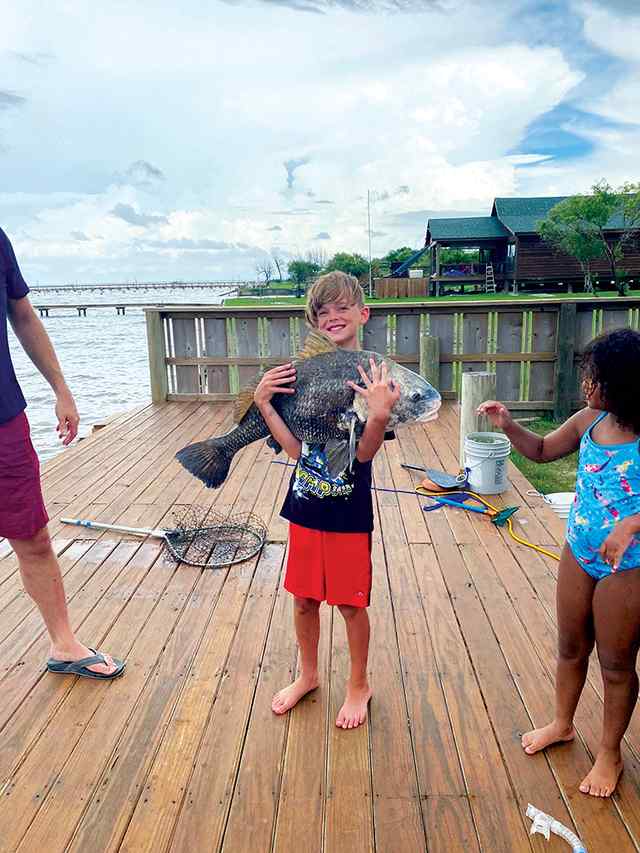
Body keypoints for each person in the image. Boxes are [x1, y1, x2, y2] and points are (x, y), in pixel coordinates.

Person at [478, 327, 640, 797]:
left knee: (615, 663)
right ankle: (562, 724)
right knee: (570, 647)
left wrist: (630, 524)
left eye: (596, 379)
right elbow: (544, 451)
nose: (586, 385)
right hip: (579, 550)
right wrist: (509, 424)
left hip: (628, 565)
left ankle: (610, 753)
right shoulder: (589, 419)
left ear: (624, 383)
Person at [253, 271, 398, 729]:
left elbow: (364, 454)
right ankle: (309, 675)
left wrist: (378, 415)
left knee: (351, 604)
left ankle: (359, 684)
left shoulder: (377, 376)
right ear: (314, 323)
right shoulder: (303, 373)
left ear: (362, 313)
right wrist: (264, 406)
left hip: (348, 514)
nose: (332, 317)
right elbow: (296, 451)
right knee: (303, 601)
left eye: (341, 308)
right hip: (305, 507)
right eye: (322, 311)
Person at [0, 227, 124, 679]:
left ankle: (65, 645)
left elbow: (24, 316)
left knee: (32, 537)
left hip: (3, 419)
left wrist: (61, 388)